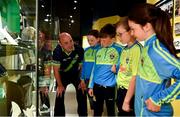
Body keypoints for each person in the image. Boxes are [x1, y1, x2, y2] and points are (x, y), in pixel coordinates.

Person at [123, 3, 180, 116]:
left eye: (133, 29)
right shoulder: (147, 47)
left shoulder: (155, 50)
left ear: (147, 26)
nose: (132, 34)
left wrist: (158, 99)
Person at [88, 24, 123, 116]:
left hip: (110, 87)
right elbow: (94, 69)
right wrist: (91, 86)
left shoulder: (120, 50)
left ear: (112, 38)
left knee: (111, 111)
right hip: (97, 86)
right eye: (101, 39)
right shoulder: (98, 50)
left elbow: (125, 67)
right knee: (97, 111)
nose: (102, 41)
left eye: (104, 39)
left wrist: (117, 68)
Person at [52, 32, 87, 116]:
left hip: (76, 74)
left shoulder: (79, 49)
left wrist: (82, 80)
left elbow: (82, 67)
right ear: (60, 44)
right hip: (62, 75)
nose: (70, 45)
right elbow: (56, 70)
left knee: (82, 92)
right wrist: (60, 85)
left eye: (71, 41)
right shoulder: (57, 52)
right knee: (59, 95)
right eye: (66, 43)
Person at [115, 17, 142, 116]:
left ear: (131, 31)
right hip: (120, 89)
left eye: (120, 34)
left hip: (130, 93)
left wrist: (126, 101)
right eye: (117, 35)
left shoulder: (137, 49)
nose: (118, 37)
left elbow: (135, 77)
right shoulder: (124, 49)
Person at [80, 29, 100, 110]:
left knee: (98, 102)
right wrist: (82, 79)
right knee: (91, 101)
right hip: (87, 79)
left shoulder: (101, 50)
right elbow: (84, 65)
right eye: (88, 40)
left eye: (92, 40)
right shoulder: (86, 50)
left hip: (97, 80)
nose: (89, 42)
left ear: (98, 39)